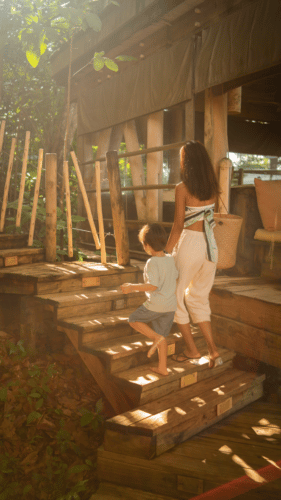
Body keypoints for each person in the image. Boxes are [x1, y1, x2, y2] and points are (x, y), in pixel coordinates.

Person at [165, 140, 222, 368]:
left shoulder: (182, 188)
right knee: (198, 298)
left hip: (190, 244)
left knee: (175, 297)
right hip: (211, 247)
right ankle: (213, 349)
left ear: (186, 161)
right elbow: (210, 220)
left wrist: (165, 252)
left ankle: (192, 350)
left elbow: (179, 225)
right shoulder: (213, 188)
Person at [121, 223, 178, 376]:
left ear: (147, 245)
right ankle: (163, 368)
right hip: (170, 306)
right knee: (162, 337)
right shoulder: (170, 259)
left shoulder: (152, 262)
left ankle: (156, 337)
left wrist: (132, 287)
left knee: (133, 319)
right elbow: (175, 277)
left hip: (156, 305)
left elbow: (153, 286)